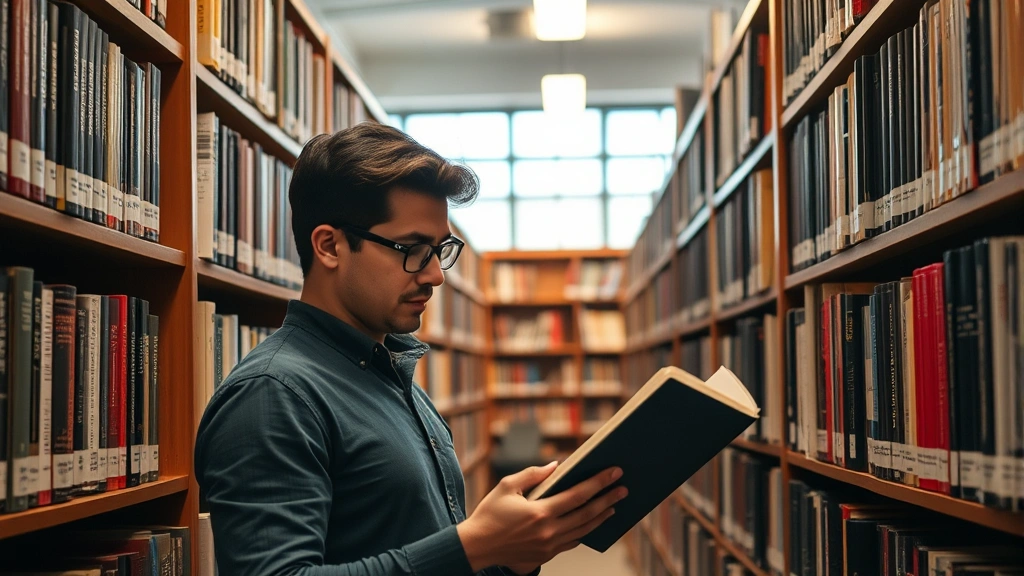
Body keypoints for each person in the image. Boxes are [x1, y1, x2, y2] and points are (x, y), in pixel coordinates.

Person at [194, 123, 628, 576]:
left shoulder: (390, 376)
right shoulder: (272, 395)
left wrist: (513, 554)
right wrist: (474, 545)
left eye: (440, 250)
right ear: (329, 246)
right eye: (414, 249)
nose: (435, 275)